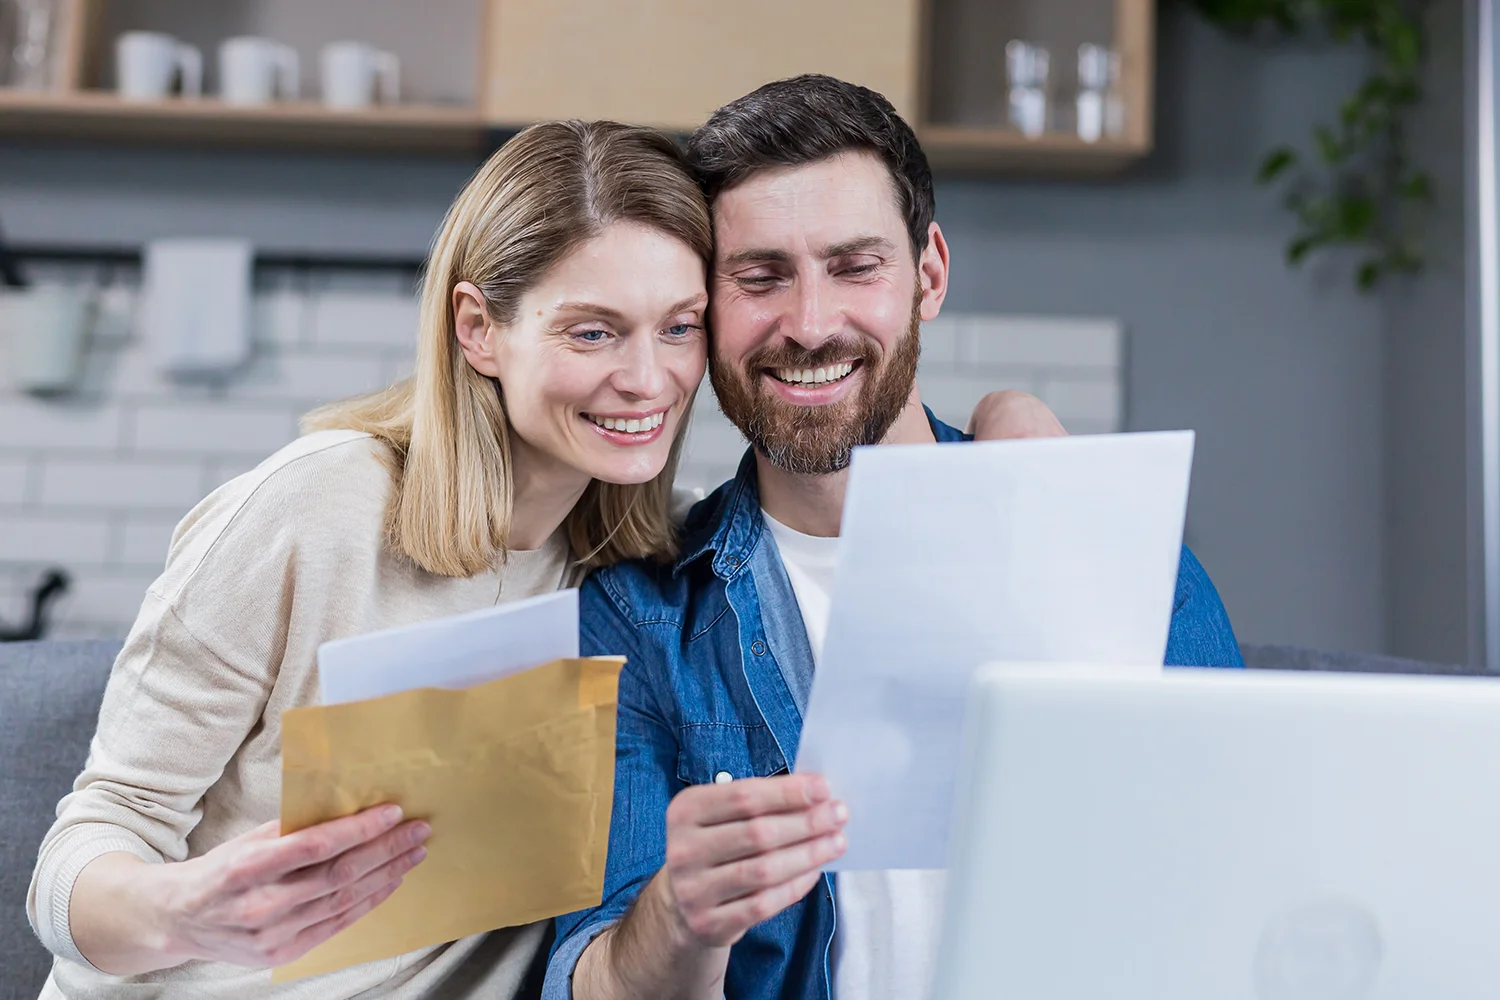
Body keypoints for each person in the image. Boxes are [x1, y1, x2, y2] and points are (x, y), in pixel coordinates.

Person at [26, 118, 1055, 999]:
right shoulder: (323, 505)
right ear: (479, 328)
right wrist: (186, 913)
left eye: (680, 327)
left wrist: (1017, 425)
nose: (645, 379)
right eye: (593, 332)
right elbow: (84, 849)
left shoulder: (652, 572)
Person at [548, 76, 1245, 1000]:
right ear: (707, 308)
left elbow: (1237, 872)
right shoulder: (641, 616)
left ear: (929, 273)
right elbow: (588, 979)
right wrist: (679, 915)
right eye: (760, 277)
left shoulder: (1100, 541)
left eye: (854, 266)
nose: (808, 324)